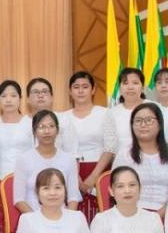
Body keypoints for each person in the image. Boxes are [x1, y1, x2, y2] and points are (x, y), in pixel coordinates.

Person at [112, 103, 168, 217]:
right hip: (133, 214)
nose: (143, 125)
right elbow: (117, 189)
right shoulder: (124, 154)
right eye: (138, 121)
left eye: (149, 120)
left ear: (159, 124)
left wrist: (158, 215)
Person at [86, 67, 152, 187]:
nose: (130, 87)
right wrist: (94, 175)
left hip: (150, 167)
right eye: (125, 83)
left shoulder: (154, 108)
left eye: (135, 83)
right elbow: (109, 147)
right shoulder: (112, 113)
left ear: (142, 87)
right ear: (120, 87)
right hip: (121, 168)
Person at [57, 71, 108, 221]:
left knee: (100, 214)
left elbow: (110, 147)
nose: (80, 91)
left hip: (99, 169)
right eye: (76, 87)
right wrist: (74, 176)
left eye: (85, 87)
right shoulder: (62, 117)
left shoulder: (105, 113)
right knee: (74, 216)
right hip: (70, 171)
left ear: (93, 90)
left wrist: (93, 177)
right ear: (69, 91)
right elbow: (60, 149)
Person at [13, 110, 81, 214]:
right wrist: (37, 220)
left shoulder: (69, 159)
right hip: (32, 216)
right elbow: (19, 200)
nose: (47, 131)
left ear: (57, 130)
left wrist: (66, 219)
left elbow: (73, 198)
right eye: (41, 127)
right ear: (34, 132)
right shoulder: (23, 160)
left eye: (51, 126)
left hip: (62, 217)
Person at [0, 80, 32, 219]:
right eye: (3, 96)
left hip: (24, 182)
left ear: (20, 99)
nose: (8, 100)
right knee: (1, 222)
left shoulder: (30, 123)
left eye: (13, 95)